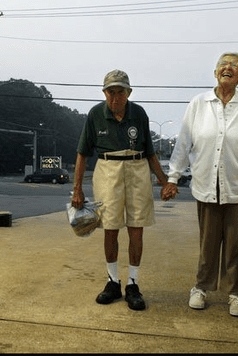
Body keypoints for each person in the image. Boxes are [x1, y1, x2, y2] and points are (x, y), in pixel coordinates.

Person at [161, 52, 238, 317]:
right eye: (223, 64)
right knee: (208, 243)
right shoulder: (199, 104)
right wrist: (173, 178)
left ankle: (235, 294)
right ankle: (201, 288)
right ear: (215, 73)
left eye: (234, 66)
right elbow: (184, 143)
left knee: (234, 245)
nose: (228, 68)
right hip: (206, 186)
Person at [71, 69, 172, 311]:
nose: (115, 97)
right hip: (108, 170)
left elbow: (149, 151)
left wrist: (163, 180)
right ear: (104, 93)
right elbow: (82, 153)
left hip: (137, 169)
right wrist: (77, 189)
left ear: (129, 92)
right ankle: (112, 281)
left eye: (120, 92)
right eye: (111, 92)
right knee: (110, 228)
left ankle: (133, 284)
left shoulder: (138, 113)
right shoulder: (96, 114)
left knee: (137, 228)